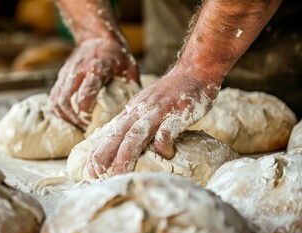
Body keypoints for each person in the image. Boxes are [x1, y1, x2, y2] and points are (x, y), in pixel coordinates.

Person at [49, 0, 282, 178]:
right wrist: (94, 33)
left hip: (279, 42)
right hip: (174, 22)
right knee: (157, 115)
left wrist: (197, 68)